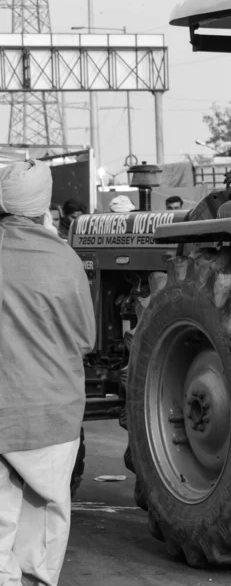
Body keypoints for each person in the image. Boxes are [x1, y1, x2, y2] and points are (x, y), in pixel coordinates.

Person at [0, 160, 96, 586]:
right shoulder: (64, 258)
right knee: (44, 520)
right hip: (53, 414)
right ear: (45, 207)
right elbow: (85, 339)